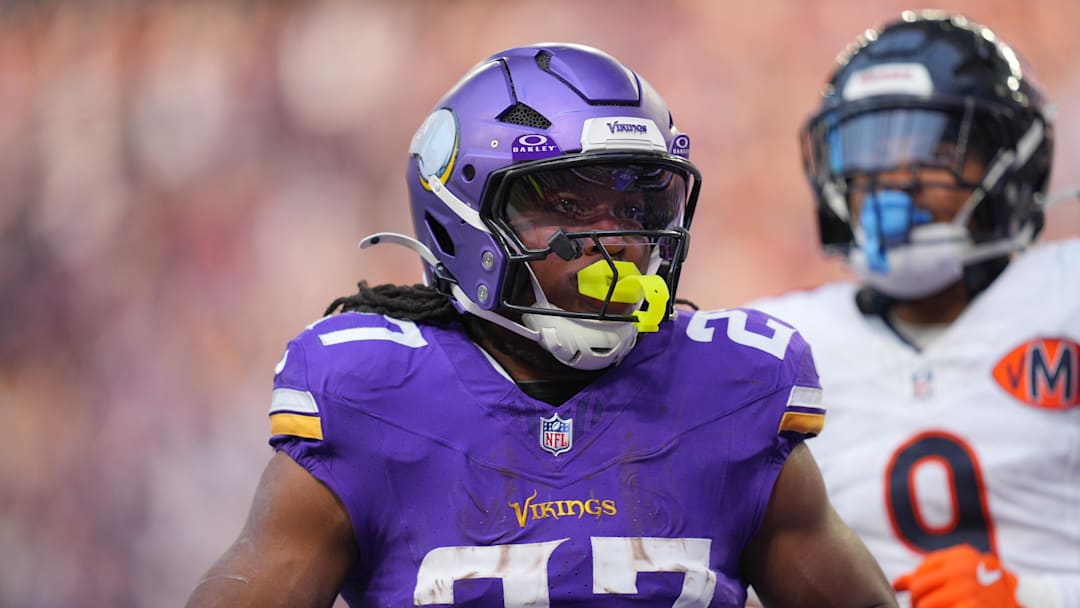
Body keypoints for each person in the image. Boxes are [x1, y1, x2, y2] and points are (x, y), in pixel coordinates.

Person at [185, 43, 896, 608]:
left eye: (638, 206)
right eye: (568, 206)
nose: (615, 240)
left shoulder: (730, 391)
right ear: (462, 216)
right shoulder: (373, 396)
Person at [748, 11, 1080, 608]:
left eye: (931, 153)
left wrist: (1036, 597)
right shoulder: (780, 343)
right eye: (867, 155)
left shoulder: (1066, 293)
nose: (890, 184)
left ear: (1008, 167)